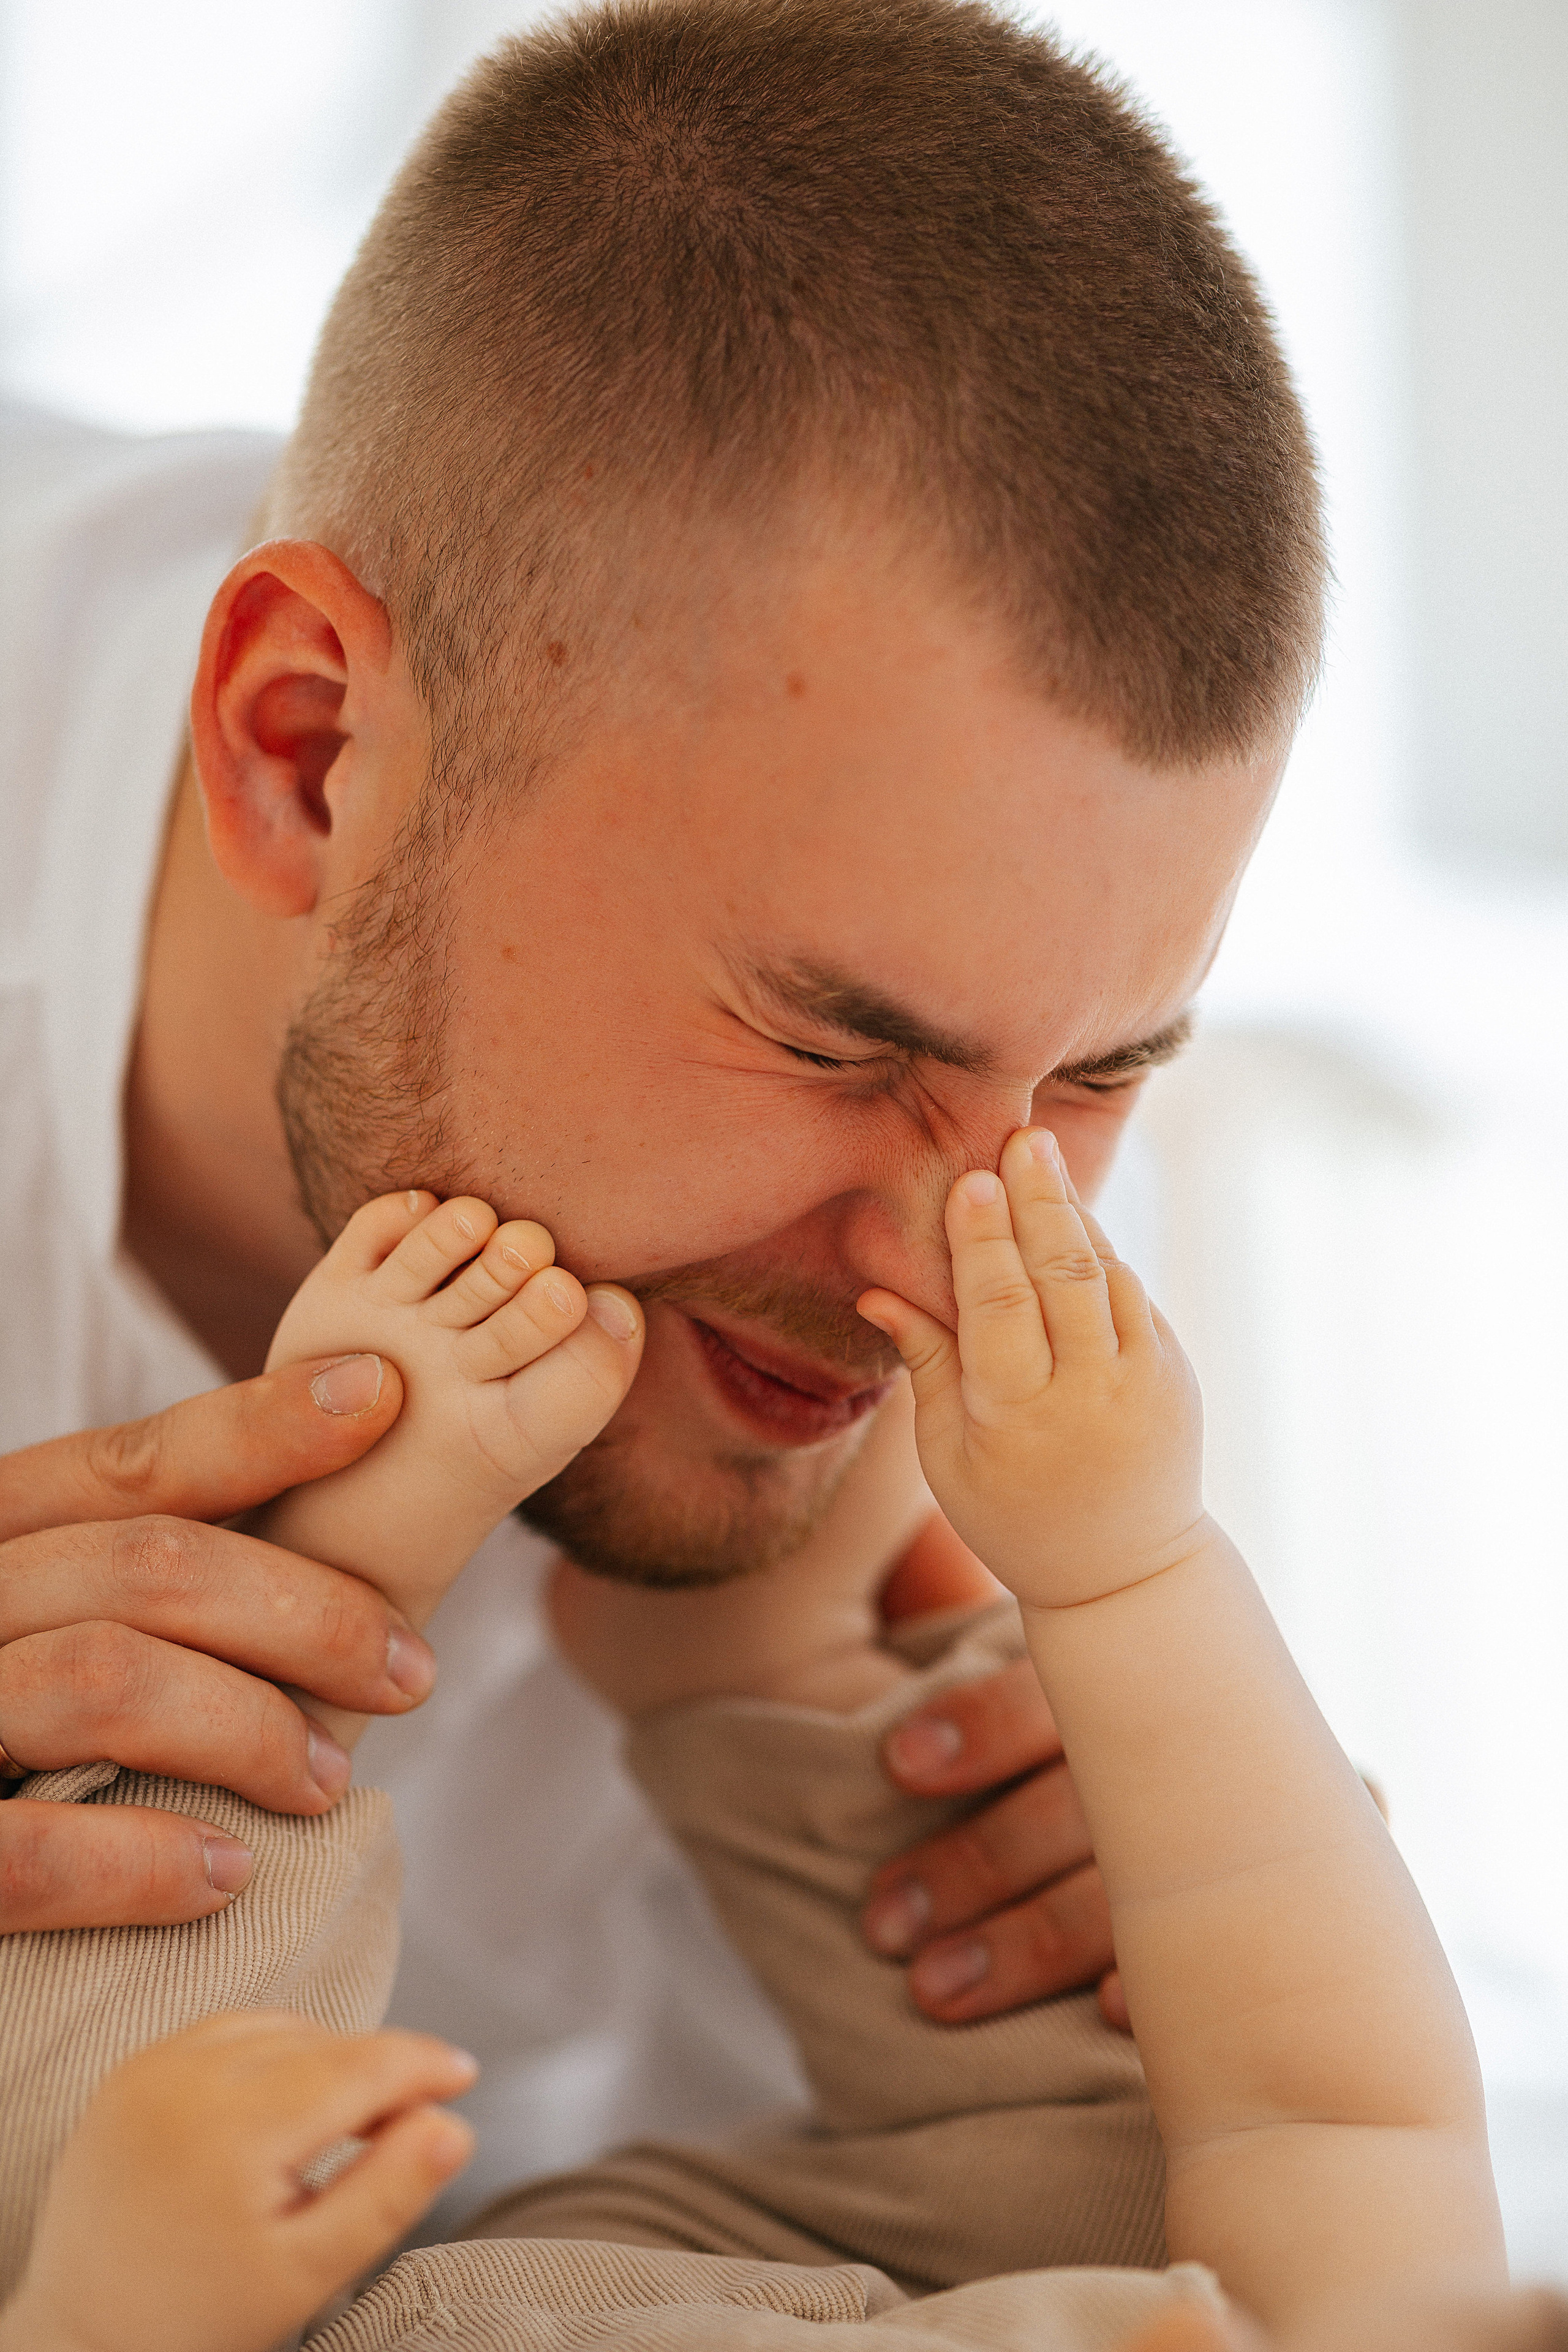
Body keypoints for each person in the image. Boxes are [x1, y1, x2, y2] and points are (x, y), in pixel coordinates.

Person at [1, 0, 1327, 2222]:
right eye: (832, 1047)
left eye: (1103, 1073)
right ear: (308, 752)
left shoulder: (972, 1240)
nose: (950, 1278)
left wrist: (1150, 1969)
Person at [0, 1152, 1544, 2352]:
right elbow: (1328, 2110)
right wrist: (1127, 1568)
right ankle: (772, 1671)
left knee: (89, 2136)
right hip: (912, 2256)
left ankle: (323, 1594)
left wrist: (96, 2321)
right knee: (1148, 2086)